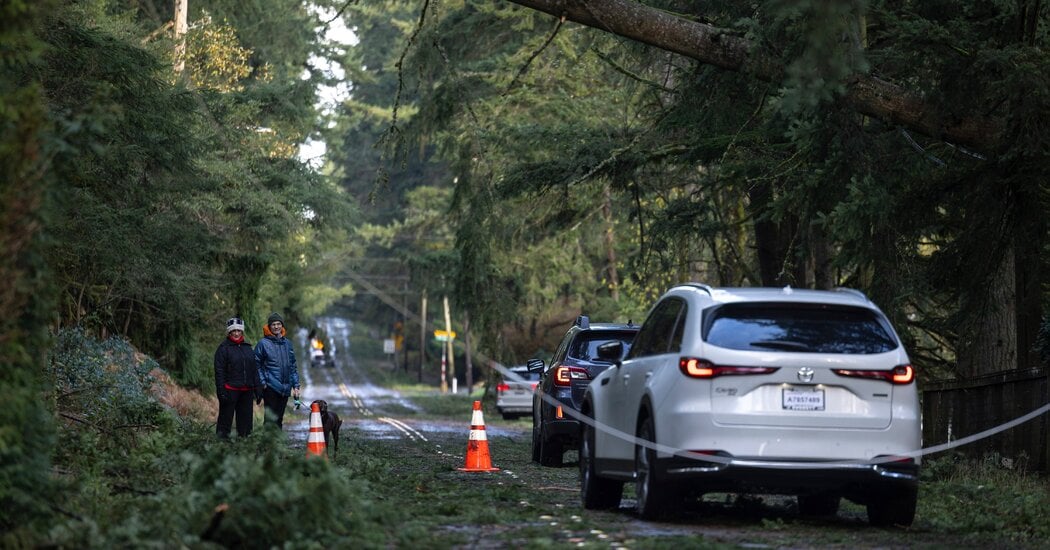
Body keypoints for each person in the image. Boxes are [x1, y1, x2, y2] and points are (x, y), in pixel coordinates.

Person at [214, 317, 262, 438]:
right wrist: (221, 391)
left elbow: (254, 370)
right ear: (229, 332)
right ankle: (221, 445)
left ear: (242, 331)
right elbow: (219, 372)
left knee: (246, 424)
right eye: (233, 331)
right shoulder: (223, 349)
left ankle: (244, 445)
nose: (236, 333)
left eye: (239, 330)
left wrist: (258, 388)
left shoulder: (248, 348)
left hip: (247, 391)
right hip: (230, 390)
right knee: (225, 422)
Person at [255, 312, 300, 429]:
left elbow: (293, 366)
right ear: (269, 326)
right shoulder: (263, 344)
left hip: (285, 388)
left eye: (278, 324)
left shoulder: (287, 344)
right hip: (270, 387)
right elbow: (256, 364)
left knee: (279, 419)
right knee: (270, 420)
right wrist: (263, 383)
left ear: (282, 325)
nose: (276, 327)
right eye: (273, 324)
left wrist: (296, 386)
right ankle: (268, 441)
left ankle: (277, 440)